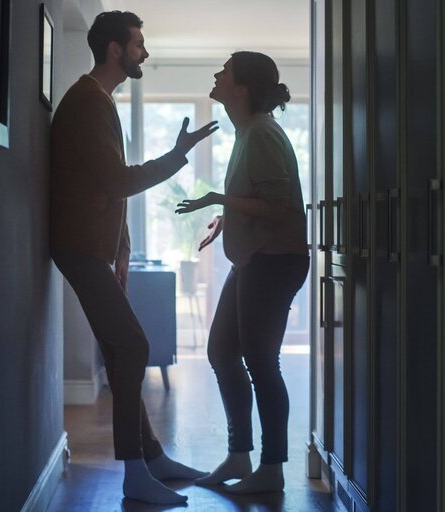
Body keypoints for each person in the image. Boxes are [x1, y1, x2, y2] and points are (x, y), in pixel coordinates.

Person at [50, 11, 218, 505]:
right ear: (115, 50)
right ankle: (135, 476)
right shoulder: (86, 102)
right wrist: (177, 153)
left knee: (123, 350)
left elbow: (106, 185)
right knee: (135, 347)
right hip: (78, 248)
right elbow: (119, 181)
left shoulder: (99, 101)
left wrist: (120, 250)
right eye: (139, 44)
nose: (145, 52)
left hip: (90, 249)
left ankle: (153, 458)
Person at [175, 51, 309, 494]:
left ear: (243, 87)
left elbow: (277, 207)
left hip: (275, 261)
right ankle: (239, 456)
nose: (216, 74)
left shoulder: (262, 134)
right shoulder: (249, 131)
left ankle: (271, 470)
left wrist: (218, 200)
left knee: (259, 362)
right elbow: (261, 200)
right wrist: (228, 218)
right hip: (256, 258)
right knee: (221, 352)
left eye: (225, 71)